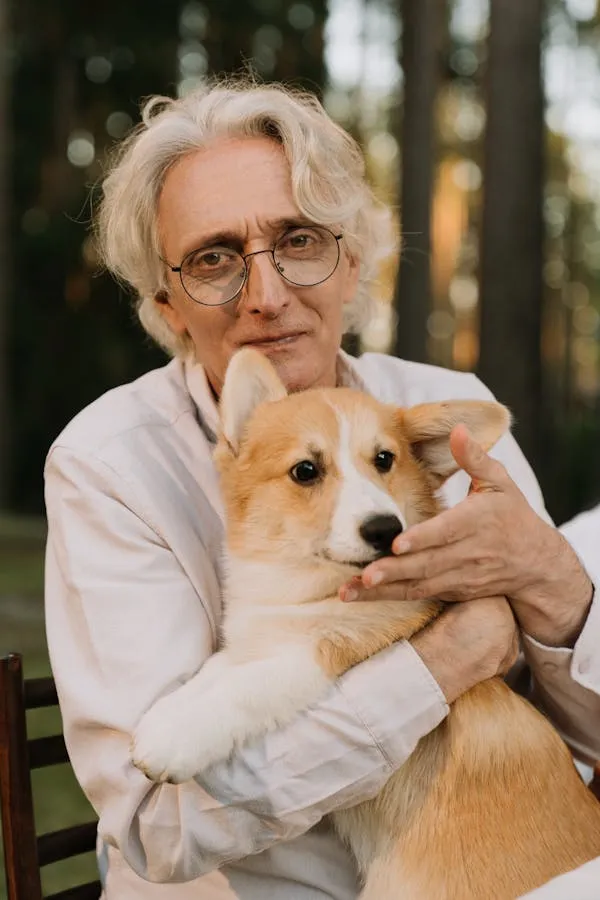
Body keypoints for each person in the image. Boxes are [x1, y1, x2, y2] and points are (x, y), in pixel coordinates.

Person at [43, 77, 600, 899]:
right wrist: (437, 663)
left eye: (299, 239)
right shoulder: (111, 466)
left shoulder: (441, 418)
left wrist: (554, 588)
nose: (266, 297)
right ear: (166, 302)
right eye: (214, 259)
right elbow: (163, 825)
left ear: (352, 260)